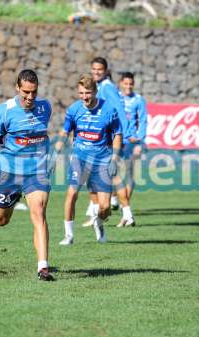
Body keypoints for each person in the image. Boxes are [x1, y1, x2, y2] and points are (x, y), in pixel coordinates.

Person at [0, 69, 55, 281]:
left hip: (37, 171)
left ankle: (43, 267)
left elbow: (41, 135)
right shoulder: (4, 111)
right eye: (26, 93)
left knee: (38, 213)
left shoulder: (45, 107)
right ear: (17, 88)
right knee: (2, 221)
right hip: (10, 172)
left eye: (34, 92)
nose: (30, 97)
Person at [53, 74, 122, 245]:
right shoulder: (74, 109)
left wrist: (114, 158)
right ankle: (69, 235)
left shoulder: (109, 110)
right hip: (80, 158)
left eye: (88, 93)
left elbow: (117, 134)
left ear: (95, 91)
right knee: (72, 193)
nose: (84, 97)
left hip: (102, 161)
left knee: (105, 207)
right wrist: (54, 153)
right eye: (81, 93)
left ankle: (98, 222)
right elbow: (65, 132)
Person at [82, 57, 129, 227]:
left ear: (106, 70)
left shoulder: (107, 87)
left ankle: (122, 212)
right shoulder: (100, 86)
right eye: (93, 69)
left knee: (108, 176)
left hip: (109, 141)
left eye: (99, 69)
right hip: (104, 139)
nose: (96, 72)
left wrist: (122, 135)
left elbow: (119, 112)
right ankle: (104, 211)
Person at [113, 72, 148, 227]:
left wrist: (140, 141)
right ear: (120, 83)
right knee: (111, 171)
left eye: (131, 84)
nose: (128, 86)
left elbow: (143, 120)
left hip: (131, 141)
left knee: (128, 173)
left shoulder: (138, 100)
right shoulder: (115, 98)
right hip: (115, 140)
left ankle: (124, 207)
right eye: (125, 83)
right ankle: (118, 200)